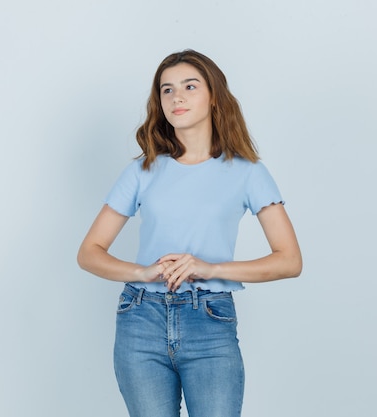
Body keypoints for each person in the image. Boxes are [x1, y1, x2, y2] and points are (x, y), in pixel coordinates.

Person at [76, 49, 302, 417]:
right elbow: (89, 252)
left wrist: (210, 268)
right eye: (166, 90)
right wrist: (142, 272)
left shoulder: (247, 172)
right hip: (140, 319)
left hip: (209, 322)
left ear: (214, 96)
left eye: (189, 86)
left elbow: (289, 261)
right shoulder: (142, 170)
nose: (176, 97)